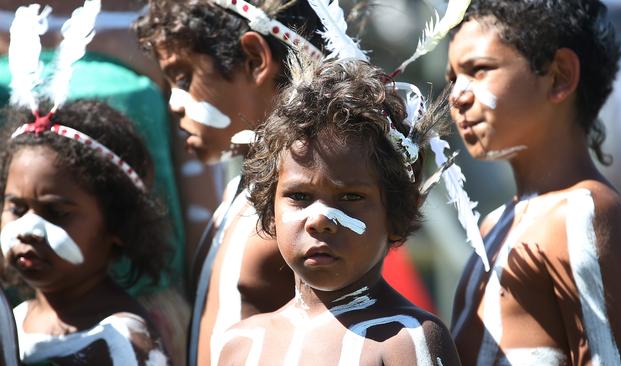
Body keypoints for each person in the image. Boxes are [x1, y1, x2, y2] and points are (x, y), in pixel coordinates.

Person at [135, 1, 437, 364]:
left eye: (184, 78)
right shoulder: (247, 200)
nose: (174, 104)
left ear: (255, 59)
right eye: (297, 196)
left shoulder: (307, 220)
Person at [214, 56, 459, 366]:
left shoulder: (406, 340)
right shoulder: (240, 345)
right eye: (300, 195)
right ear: (269, 209)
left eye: (350, 197)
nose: (319, 219)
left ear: (399, 212)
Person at [446, 0, 621, 364]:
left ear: (559, 77)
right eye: (452, 77)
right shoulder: (493, 225)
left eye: (479, 70)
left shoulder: (584, 212)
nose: (457, 95)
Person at [0, 99, 170, 365]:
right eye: (17, 208)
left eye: (56, 212)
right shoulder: (16, 318)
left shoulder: (121, 343)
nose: (28, 229)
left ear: (117, 224)